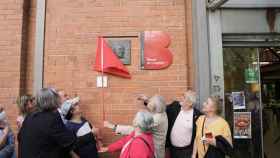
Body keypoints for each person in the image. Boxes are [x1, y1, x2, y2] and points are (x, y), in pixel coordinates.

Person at [18, 88, 76, 158]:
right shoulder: (52, 117)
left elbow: (19, 137)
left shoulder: (29, 117)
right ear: (53, 100)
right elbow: (68, 141)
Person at [104, 95, 168, 158]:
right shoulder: (161, 111)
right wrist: (147, 100)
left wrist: (113, 127)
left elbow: (138, 128)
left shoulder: (156, 119)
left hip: (154, 151)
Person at [166, 90, 201, 158]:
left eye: (184, 97)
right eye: (182, 95)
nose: (181, 98)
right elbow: (161, 108)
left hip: (187, 152)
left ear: (190, 103)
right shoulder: (174, 106)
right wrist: (147, 102)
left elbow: (198, 136)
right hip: (173, 150)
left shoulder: (197, 115)